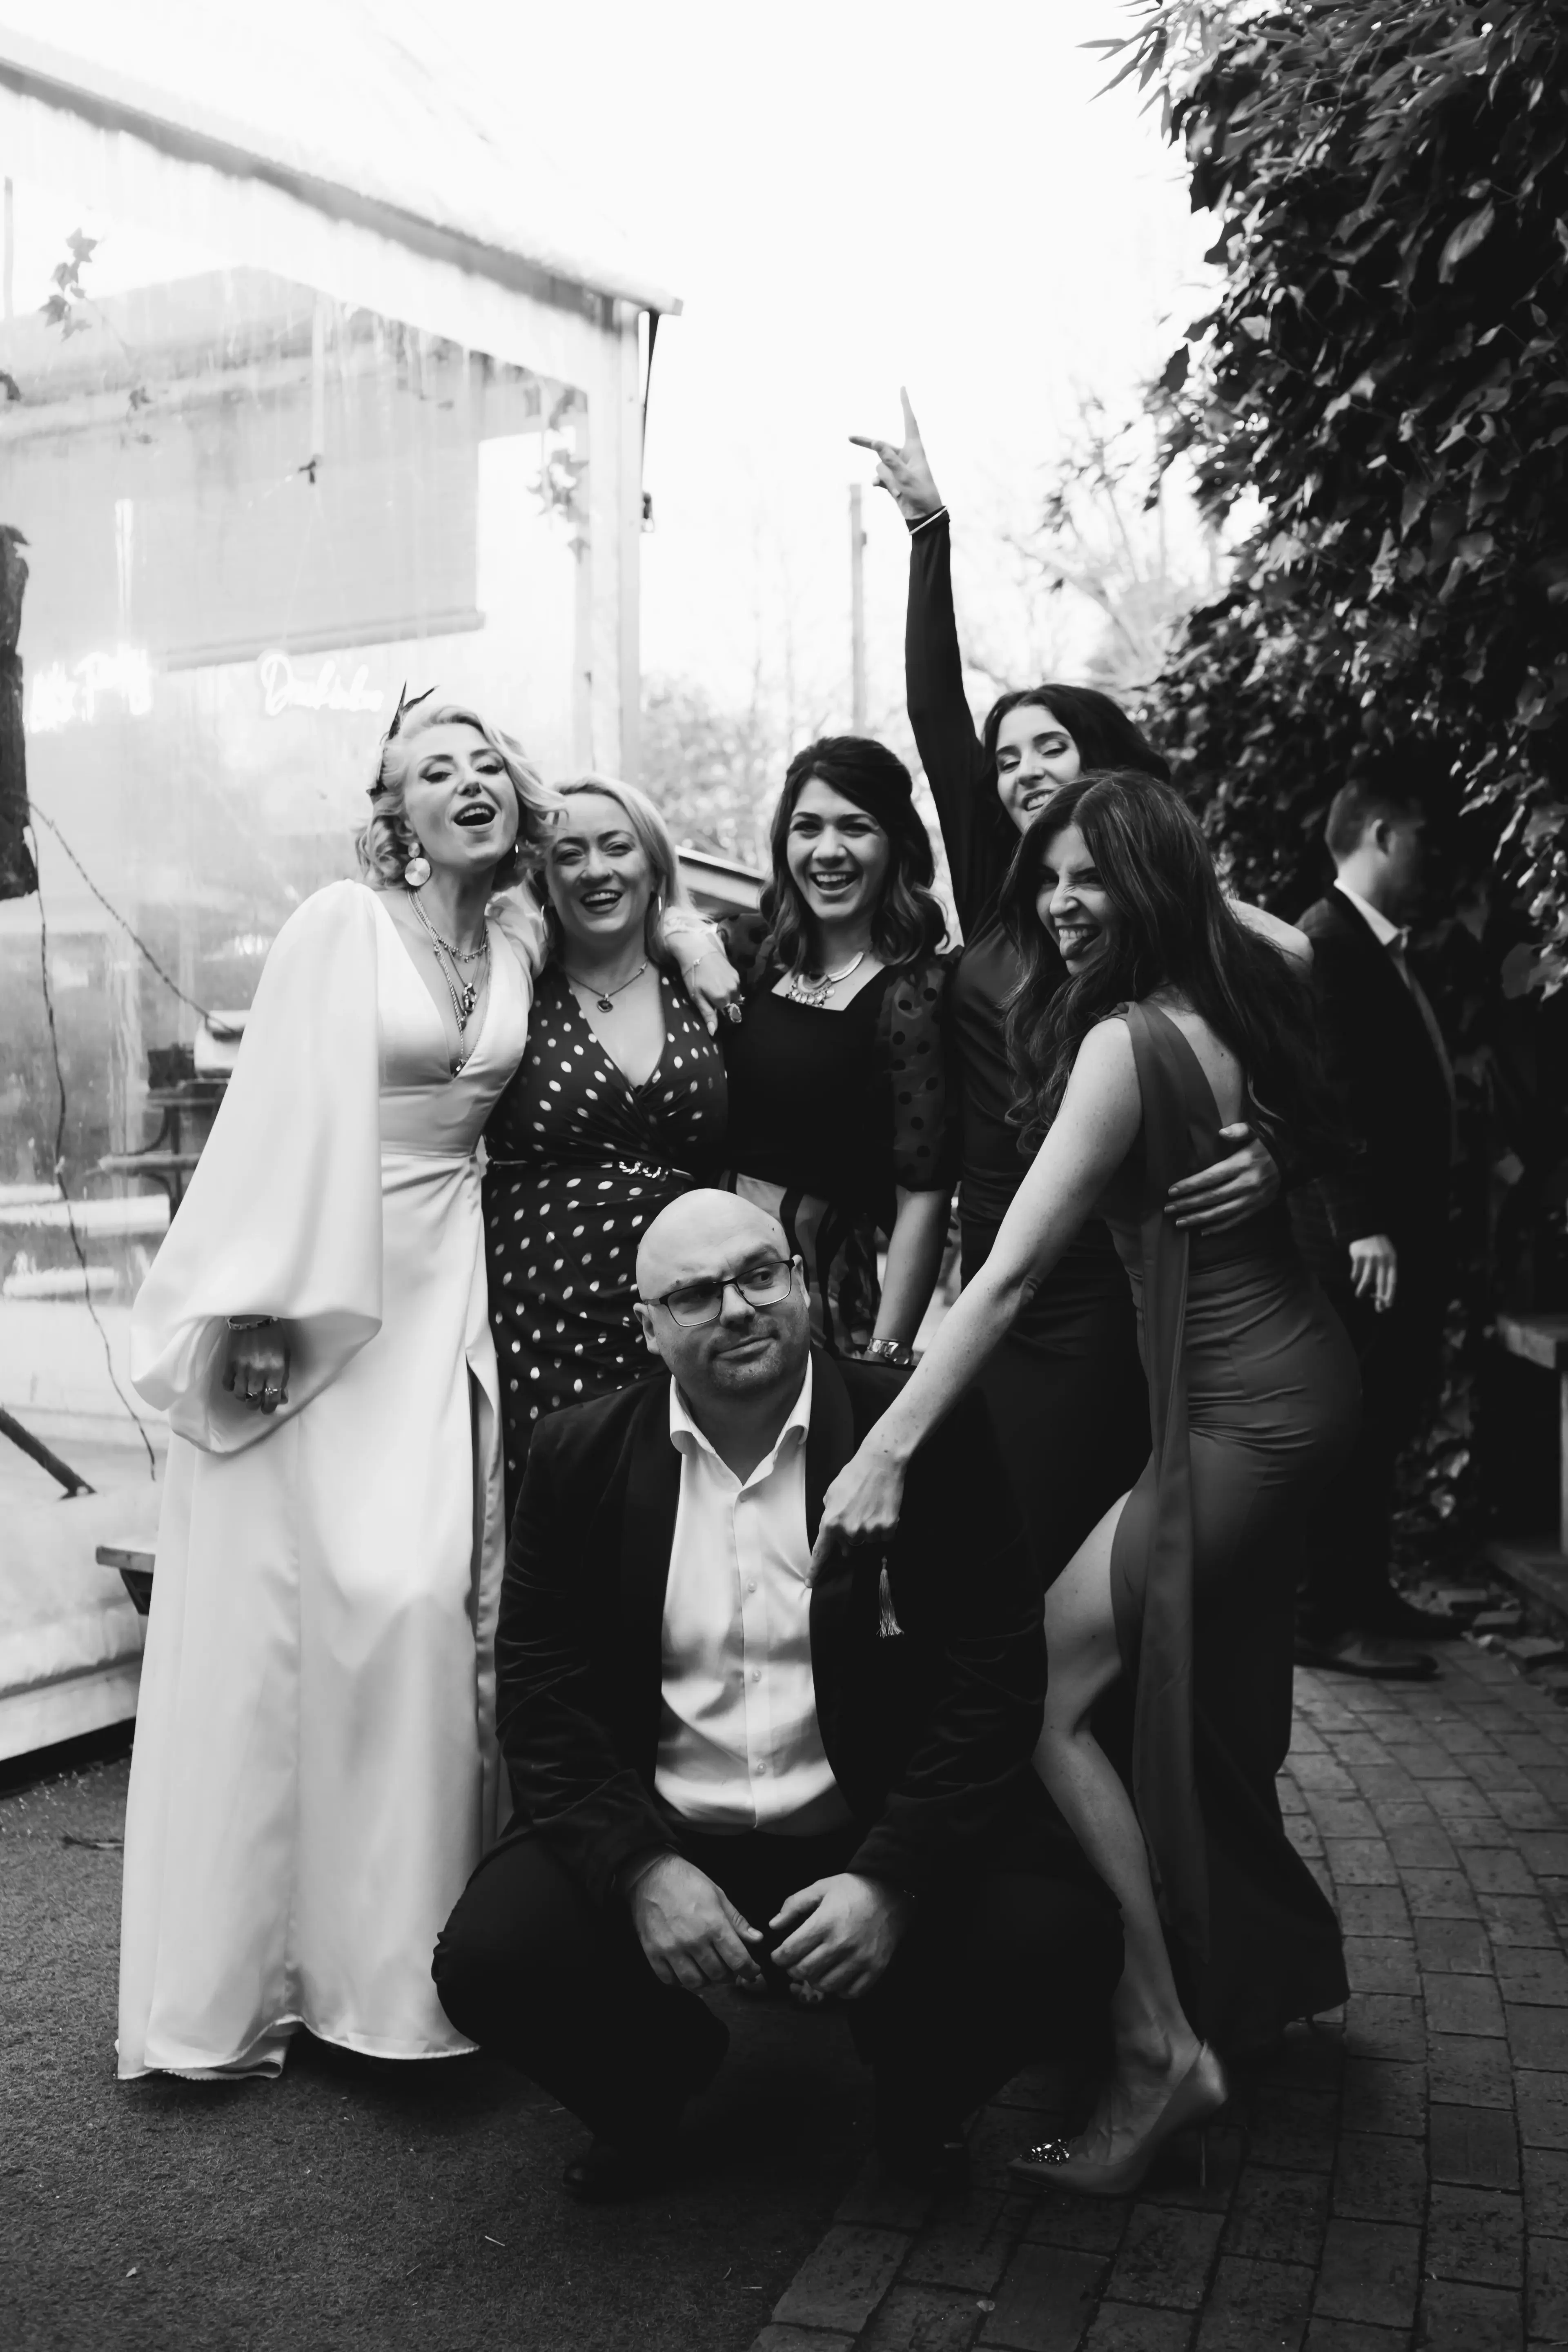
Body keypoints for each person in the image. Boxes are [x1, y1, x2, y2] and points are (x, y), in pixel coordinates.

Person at [813, 775, 1359, 2194]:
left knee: (1046, 1691)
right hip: (1272, 1386)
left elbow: (1003, 1280)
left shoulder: (1125, 1040)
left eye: (1095, 878)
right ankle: (1213, 1989)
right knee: (1159, 1696)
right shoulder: (1223, 988)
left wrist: (886, 1443)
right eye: (1049, 875)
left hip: (1249, 1409)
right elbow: (1295, 956)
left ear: (1157, 886)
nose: (1061, 902)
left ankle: (1156, 2039)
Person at [432, 1190, 1122, 2200]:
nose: (740, 1308)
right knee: (491, 1958)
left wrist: (893, 1879)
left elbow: (995, 1668)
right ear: (650, 1328)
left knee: (1062, 1936)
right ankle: (654, 2089)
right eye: (697, 1295)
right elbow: (541, 1693)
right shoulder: (575, 1457)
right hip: (676, 1832)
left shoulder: (914, 1433)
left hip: (863, 1823)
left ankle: (917, 2097)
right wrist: (639, 1873)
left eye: (761, 1274)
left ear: (800, 1283)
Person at [118, 695, 558, 2078]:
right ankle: (263, 1976)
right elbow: (277, 1113)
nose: (468, 781)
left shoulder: (519, 935)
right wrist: (257, 1298)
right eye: (438, 769)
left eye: (488, 763)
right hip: (323, 1293)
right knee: (293, 1628)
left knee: (429, 1608)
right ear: (396, 814)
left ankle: (405, 1981)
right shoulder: (337, 925)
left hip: (450, 1295)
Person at [850, 393, 1286, 1581]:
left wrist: (1283, 1149)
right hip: (994, 1278)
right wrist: (931, 532)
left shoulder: (1163, 919)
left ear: (1109, 767)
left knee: (1049, 1569)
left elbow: (1276, 1039)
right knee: (986, 1572)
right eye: (1009, 757)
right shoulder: (1006, 884)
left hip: (1102, 1283)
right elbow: (937, 713)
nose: (1024, 769)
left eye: (1053, 747)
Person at [483, 775, 728, 1510]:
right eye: (570, 853)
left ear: (653, 865)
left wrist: (692, 936)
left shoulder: (710, 984)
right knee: (562, 1521)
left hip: (690, 1308)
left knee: (682, 1523)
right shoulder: (512, 985)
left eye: (616, 847)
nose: (596, 869)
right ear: (542, 878)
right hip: (542, 1307)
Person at [1291, 760, 1458, 1679]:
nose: (1430, 853)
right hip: (1364, 1249)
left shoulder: (1370, 942)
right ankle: (1325, 1617)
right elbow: (1332, 1095)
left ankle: (1368, 1592)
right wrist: (1362, 1225)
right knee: (1353, 1424)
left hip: (1394, 1239)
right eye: (1423, 835)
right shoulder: (1329, 943)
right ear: (1386, 834)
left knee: (1385, 1418)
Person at [720, 735, 954, 1364]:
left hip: (824, 1313)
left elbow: (924, 1196)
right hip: (702, 1299)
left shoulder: (917, 995)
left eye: (856, 827)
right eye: (808, 828)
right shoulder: (751, 956)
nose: (829, 851)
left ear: (896, 844)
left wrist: (887, 1354)